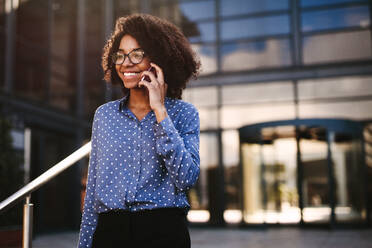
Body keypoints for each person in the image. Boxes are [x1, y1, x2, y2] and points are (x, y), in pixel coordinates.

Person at [77, 13, 201, 248]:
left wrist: (160, 111)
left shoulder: (184, 114)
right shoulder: (105, 115)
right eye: (120, 55)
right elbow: (93, 189)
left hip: (163, 232)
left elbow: (186, 178)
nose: (126, 63)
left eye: (137, 54)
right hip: (111, 232)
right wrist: (84, 244)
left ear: (159, 59)